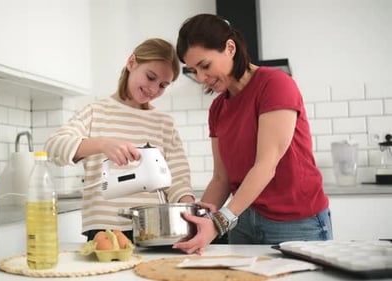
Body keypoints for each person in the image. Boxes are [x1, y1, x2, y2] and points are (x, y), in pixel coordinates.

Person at [172, 14, 333, 254]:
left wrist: (218, 223)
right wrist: (198, 221)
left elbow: (266, 165)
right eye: (194, 70)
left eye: (205, 66)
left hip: (296, 223)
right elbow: (221, 179)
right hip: (244, 219)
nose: (201, 78)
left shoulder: (275, 85)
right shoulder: (218, 108)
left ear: (229, 48)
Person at [45, 38, 195, 241]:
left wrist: (190, 210)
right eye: (150, 77)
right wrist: (102, 144)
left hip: (153, 231)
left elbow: (178, 180)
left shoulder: (164, 123)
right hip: (103, 232)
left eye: (162, 85)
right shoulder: (96, 112)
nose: (153, 89)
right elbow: (53, 147)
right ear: (132, 62)